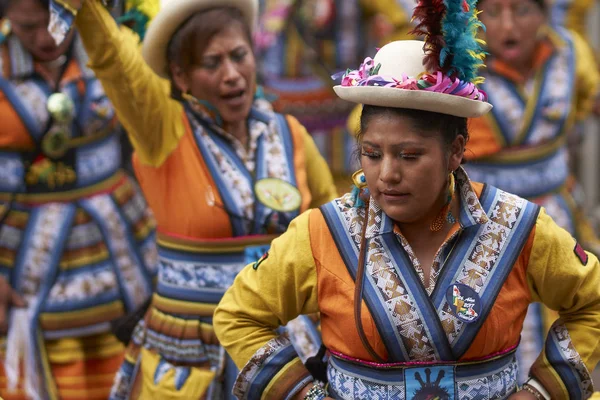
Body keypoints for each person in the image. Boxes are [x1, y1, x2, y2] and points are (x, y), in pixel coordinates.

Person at [213, 0, 600, 399]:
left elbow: (593, 302)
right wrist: (305, 394)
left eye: (410, 156)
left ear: (456, 151)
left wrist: (543, 390)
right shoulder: (321, 234)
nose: (387, 175)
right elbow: (239, 315)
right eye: (372, 153)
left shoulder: (517, 226)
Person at [62, 0, 337, 397]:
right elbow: (113, 60)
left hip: (285, 351)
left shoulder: (289, 133)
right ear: (181, 75)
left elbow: (331, 232)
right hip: (189, 358)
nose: (231, 75)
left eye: (239, 56)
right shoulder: (164, 131)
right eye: (212, 63)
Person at [0, 0, 158, 399]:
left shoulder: (114, 49)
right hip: (20, 260)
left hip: (123, 248)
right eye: (27, 27)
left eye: (55, 23)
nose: (45, 38)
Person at [464, 0, 600, 383]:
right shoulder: (453, 66)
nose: (507, 25)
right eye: (492, 12)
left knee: (568, 308)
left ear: (544, 14)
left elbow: (582, 103)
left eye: (522, 10)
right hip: (478, 223)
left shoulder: (571, 53)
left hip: (554, 212)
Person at [255, 0, 414, 191]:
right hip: (277, 138)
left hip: (341, 143)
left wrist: (379, 88)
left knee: (339, 214)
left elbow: (409, 25)